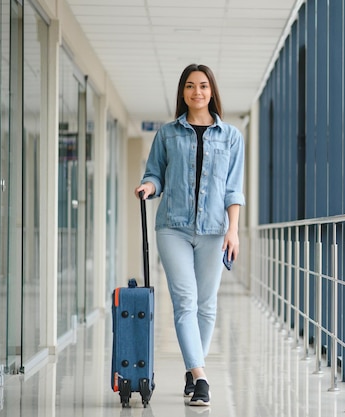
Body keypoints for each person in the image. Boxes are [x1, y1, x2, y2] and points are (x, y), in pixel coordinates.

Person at [135, 64, 245, 406]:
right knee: (185, 301)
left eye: (203, 85)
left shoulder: (231, 137)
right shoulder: (167, 134)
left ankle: (192, 366)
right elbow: (155, 173)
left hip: (214, 231)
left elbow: (233, 190)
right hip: (173, 228)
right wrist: (148, 186)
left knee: (206, 305)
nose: (197, 92)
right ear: (183, 93)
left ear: (212, 91)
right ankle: (201, 378)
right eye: (190, 86)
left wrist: (234, 231)